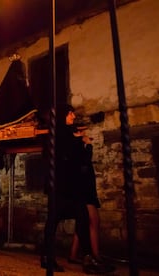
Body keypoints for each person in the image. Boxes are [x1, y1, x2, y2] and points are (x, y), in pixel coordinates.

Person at [41, 104, 115, 274]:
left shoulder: (69, 134)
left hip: (70, 188)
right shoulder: (57, 135)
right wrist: (80, 142)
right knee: (53, 222)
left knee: (82, 218)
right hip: (59, 188)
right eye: (70, 113)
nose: (73, 116)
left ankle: (88, 258)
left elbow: (81, 162)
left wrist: (85, 145)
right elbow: (65, 159)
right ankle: (47, 257)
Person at [68, 124, 102, 264]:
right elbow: (84, 163)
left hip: (86, 188)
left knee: (83, 223)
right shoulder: (75, 147)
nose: (84, 133)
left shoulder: (78, 146)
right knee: (93, 221)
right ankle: (95, 255)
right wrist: (88, 145)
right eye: (81, 131)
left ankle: (74, 255)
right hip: (84, 190)